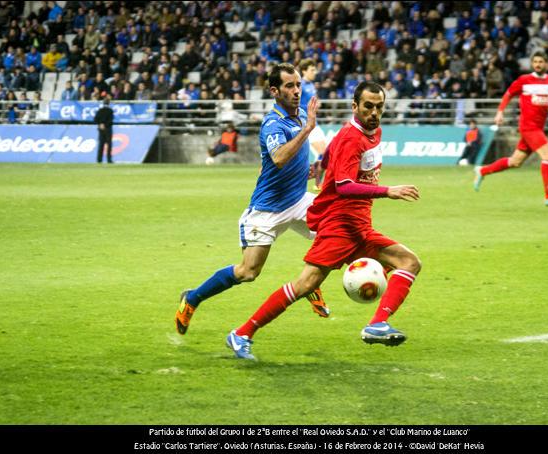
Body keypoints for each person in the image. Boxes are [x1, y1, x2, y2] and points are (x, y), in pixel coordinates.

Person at [226, 82, 422, 360]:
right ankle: (242, 333)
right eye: (368, 106)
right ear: (355, 106)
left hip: (359, 225)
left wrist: (321, 165)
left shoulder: (369, 131)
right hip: (340, 226)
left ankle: (377, 324)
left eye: (379, 106)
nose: (374, 112)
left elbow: (334, 146)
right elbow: (343, 185)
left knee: (409, 262)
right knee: (304, 285)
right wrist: (387, 191)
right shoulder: (354, 139)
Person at [175, 63, 330, 335]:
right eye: (289, 86)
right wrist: (308, 129)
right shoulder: (273, 124)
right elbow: (280, 159)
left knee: (333, 233)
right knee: (247, 272)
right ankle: (193, 298)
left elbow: (286, 167)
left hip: (296, 200)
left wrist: (312, 170)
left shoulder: (299, 117)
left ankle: (309, 285)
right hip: (267, 210)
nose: (296, 91)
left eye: (298, 85)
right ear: (274, 90)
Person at [473, 50, 548, 207]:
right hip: (529, 127)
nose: (538, 65)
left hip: (538, 127)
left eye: (540, 62)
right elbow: (508, 94)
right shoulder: (524, 80)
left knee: (515, 162)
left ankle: (482, 171)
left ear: (547, 64)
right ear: (532, 64)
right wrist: (499, 112)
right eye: (535, 62)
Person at [298, 59, 327, 191]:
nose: (314, 72)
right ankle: (310, 180)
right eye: (312, 70)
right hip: (305, 123)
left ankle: (317, 183)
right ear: (304, 71)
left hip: (314, 122)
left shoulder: (311, 85)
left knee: (324, 153)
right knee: (323, 153)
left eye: (315, 70)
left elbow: (313, 101)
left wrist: (316, 104)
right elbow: (295, 103)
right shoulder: (300, 85)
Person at [93, 96, 114, 163]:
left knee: (101, 145)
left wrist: (100, 124)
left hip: (101, 129)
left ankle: (99, 159)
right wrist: (105, 125)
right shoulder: (110, 111)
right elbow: (111, 120)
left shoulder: (100, 110)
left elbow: (95, 119)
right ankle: (109, 159)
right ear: (109, 103)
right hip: (108, 129)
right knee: (109, 145)